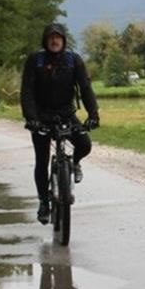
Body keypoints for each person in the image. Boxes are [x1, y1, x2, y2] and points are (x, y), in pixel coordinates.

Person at [21, 23, 100, 225]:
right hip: (41, 117)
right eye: (51, 38)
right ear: (45, 40)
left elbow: (85, 88)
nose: (54, 41)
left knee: (84, 144)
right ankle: (43, 202)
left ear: (64, 40)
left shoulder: (74, 60)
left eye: (58, 37)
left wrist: (93, 114)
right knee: (42, 160)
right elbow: (27, 91)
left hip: (66, 115)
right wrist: (31, 118)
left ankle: (75, 163)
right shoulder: (35, 60)